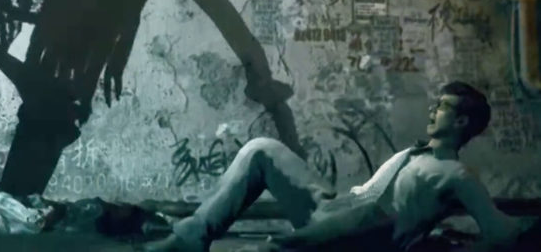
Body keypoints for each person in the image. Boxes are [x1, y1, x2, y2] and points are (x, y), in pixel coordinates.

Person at [144, 81, 537, 251]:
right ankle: (189, 239)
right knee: (261, 148)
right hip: (341, 206)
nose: (433, 109)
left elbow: (501, 232)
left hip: (365, 230)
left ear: (463, 121)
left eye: (444, 106)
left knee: (275, 248)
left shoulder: (458, 175)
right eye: (435, 103)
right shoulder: (412, 153)